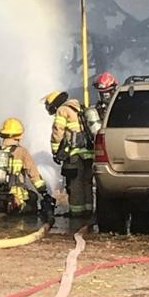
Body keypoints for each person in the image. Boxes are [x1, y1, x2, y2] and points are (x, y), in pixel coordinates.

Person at [0, 118, 52, 215]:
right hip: (15, 193)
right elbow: (33, 174)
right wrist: (44, 192)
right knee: (33, 197)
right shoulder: (22, 152)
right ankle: (18, 206)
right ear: (18, 135)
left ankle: (4, 205)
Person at [44, 91, 93, 219]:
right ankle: (88, 211)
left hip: (74, 154)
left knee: (75, 184)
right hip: (89, 153)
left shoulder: (62, 110)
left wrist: (55, 151)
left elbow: (57, 132)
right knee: (87, 183)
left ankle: (76, 213)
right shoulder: (79, 107)